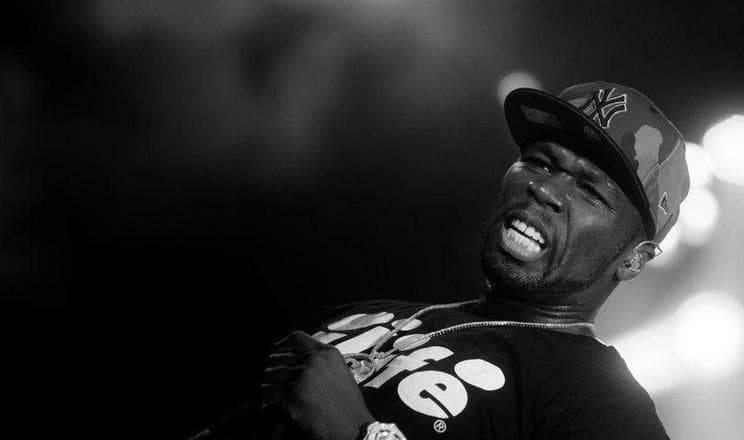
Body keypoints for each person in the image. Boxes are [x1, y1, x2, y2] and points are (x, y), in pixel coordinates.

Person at [192, 81, 690, 440]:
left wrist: (357, 431)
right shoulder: (364, 315)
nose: (544, 190)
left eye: (589, 191)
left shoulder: (599, 402)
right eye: (539, 162)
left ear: (635, 259)